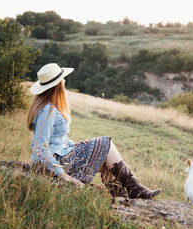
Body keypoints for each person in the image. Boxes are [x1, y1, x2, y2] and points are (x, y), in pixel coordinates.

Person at [26, 63, 161, 199]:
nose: (65, 81)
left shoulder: (52, 107)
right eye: (62, 79)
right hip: (55, 164)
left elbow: (59, 140)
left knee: (106, 161)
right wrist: (64, 176)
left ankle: (123, 197)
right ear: (57, 85)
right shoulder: (46, 111)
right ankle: (134, 189)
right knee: (105, 143)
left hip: (61, 156)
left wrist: (75, 145)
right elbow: (40, 149)